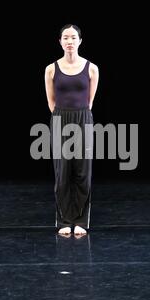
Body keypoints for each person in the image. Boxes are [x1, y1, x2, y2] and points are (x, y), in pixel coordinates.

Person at [45, 24, 99, 238]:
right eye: (65, 37)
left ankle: (80, 220)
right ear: (60, 42)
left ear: (79, 41)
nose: (69, 41)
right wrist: (62, 118)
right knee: (62, 172)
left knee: (83, 172)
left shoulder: (92, 68)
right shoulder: (51, 69)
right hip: (60, 118)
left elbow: (90, 100)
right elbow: (51, 101)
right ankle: (65, 220)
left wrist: (80, 117)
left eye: (73, 37)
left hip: (83, 118)